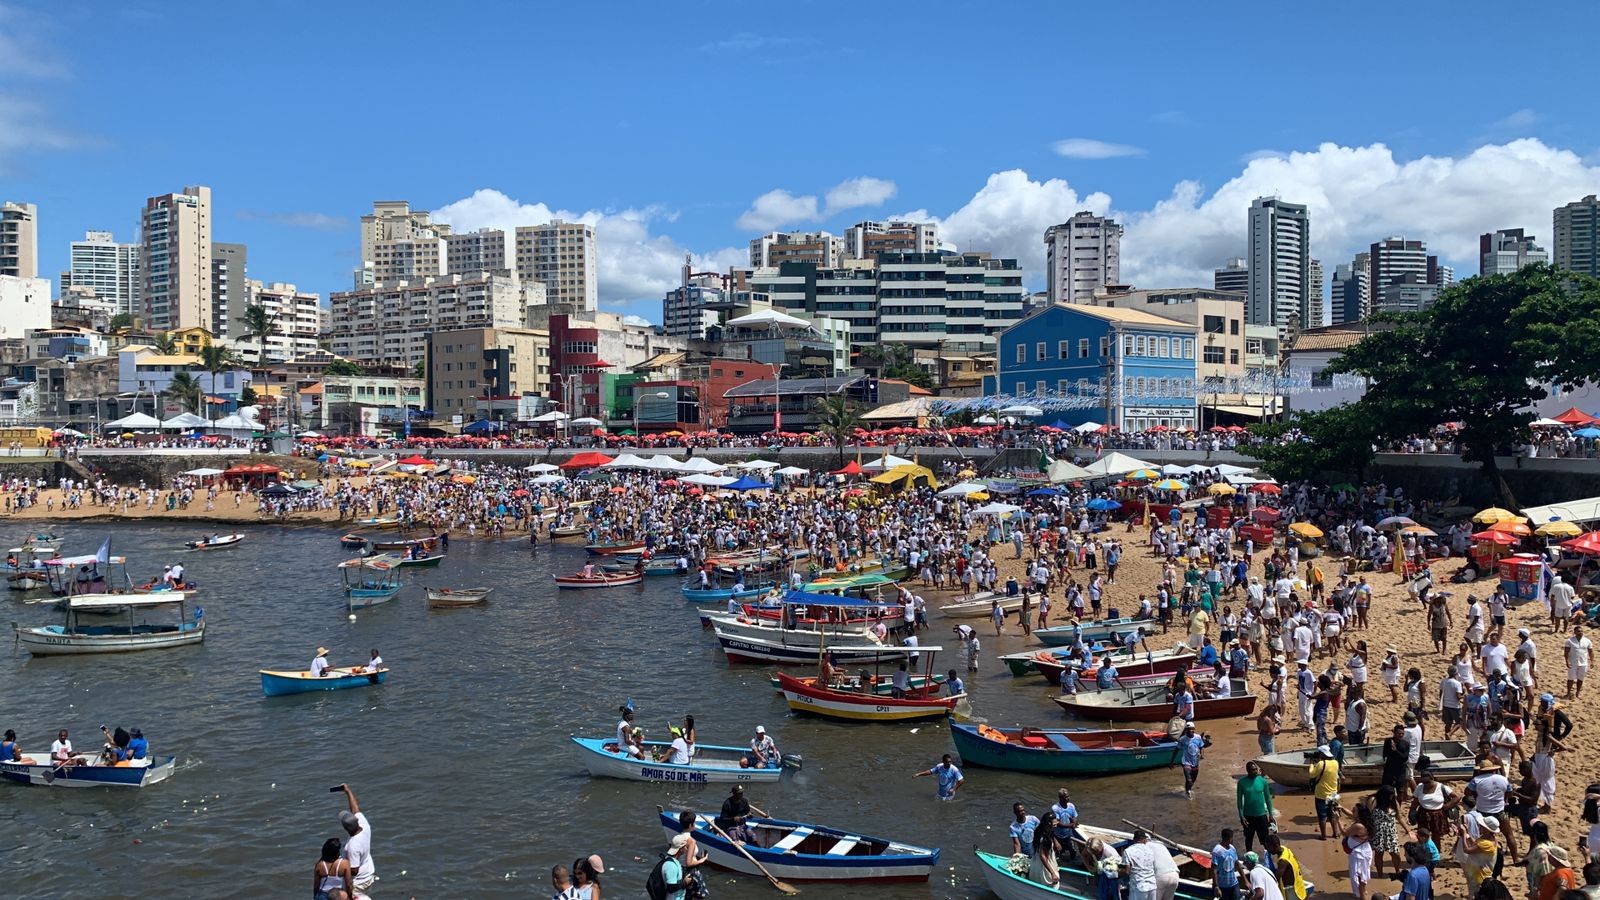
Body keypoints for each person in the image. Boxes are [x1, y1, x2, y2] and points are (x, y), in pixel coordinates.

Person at [334, 783, 376, 895]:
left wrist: (339, 866)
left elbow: (354, 870)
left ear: (345, 828)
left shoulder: (353, 845)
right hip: (369, 874)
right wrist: (348, 791)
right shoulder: (364, 825)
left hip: (358, 883)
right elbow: (355, 808)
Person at [1237, 760, 1276, 853]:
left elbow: (1268, 798)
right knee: (1248, 839)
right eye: (1253, 770)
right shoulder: (1242, 782)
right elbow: (1239, 801)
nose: (1255, 771)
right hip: (1248, 816)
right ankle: (1249, 859)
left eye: (1256, 769)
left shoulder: (1263, 781)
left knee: (1265, 841)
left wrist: (1270, 814)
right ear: (1248, 770)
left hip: (1261, 815)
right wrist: (1241, 816)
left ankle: (1268, 860)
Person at [1309, 745, 1342, 839]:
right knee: (1332, 815)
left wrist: (1311, 764)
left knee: (1322, 816)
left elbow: (1312, 774)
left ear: (1322, 754)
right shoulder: (1335, 763)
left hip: (1321, 795)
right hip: (1333, 794)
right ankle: (1335, 833)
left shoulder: (1321, 764)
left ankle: (1323, 836)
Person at [1121, 829, 1161, 900]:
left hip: (1139, 887)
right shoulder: (1150, 850)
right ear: (1145, 840)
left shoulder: (1128, 851)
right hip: (1152, 886)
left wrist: (1116, 871)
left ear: (1134, 840)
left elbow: (1127, 872)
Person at [1341, 821, 1372, 900]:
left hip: (1359, 853)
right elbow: (1351, 815)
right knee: (1363, 874)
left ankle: (1362, 897)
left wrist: (1338, 820)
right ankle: (1363, 892)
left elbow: (1344, 833)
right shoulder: (1365, 823)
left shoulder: (1358, 826)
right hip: (1363, 850)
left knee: (1359, 875)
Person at [1212, 828, 1243, 900]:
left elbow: (1237, 864)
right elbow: (1214, 869)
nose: (1233, 840)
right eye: (1232, 838)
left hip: (1234, 884)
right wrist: (1216, 886)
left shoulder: (1232, 848)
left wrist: (1246, 881)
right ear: (1229, 838)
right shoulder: (1217, 851)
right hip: (1222, 886)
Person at [1179, 724, 1206, 799]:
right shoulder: (1182, 739)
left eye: (1192, 729)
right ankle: (1188, 792)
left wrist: (1202, 754)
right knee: (1189, 779)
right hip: (1186, 762)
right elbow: (1176, 749)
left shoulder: (1198, 737)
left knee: (1193, 780)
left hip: (1195, 762)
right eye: (1189, 729)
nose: (1191, 730)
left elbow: (1202, 746)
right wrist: (1171, 762)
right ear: (1186, 730)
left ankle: (1187, 789)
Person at [1566, 625, 1593, 698]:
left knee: (1581, 678)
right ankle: (1568, 692)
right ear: (1574, 632)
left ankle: (1577, 692)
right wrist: (1567, 661)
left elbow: (1590, 651)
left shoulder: (1587, 641)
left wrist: (1592, 661)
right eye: (1578, 631)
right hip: (1572, 662)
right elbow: (1566, 652)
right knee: (1570, 678)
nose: (1580, 632)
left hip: (1583, 662)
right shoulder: (1570, 641)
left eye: (1581, 631)